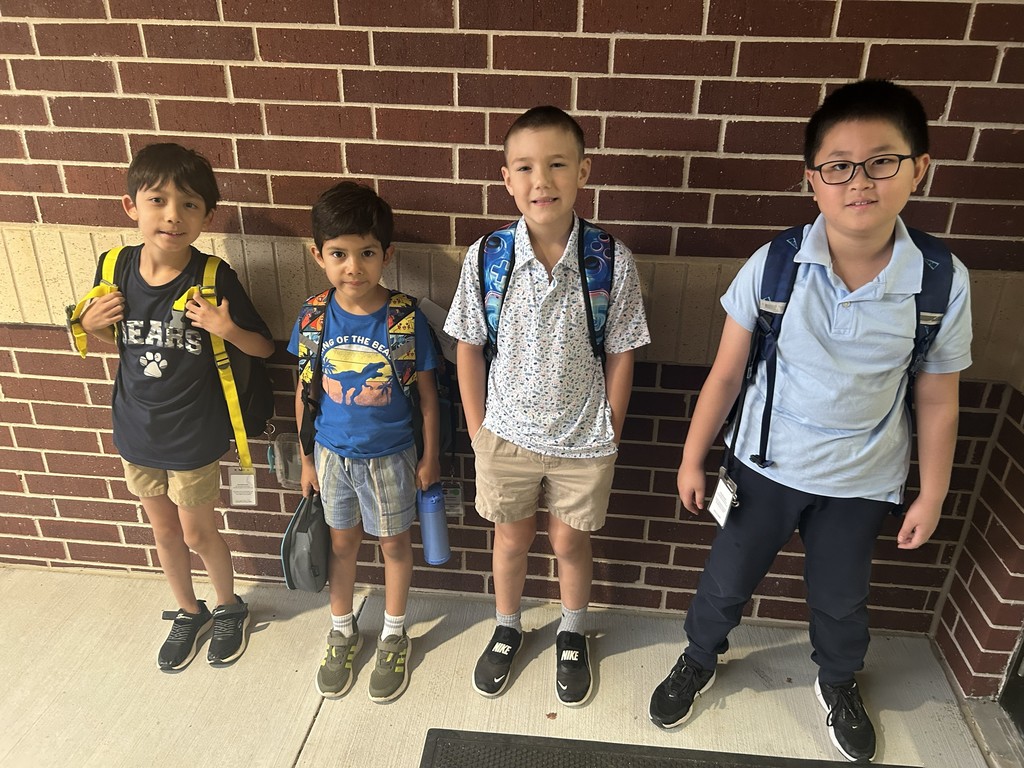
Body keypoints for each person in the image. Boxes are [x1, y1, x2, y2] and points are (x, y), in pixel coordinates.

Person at [647, 80, 973, 764]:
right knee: (726, 582)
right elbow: (727, 374)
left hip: (861, 484)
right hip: (762, 470)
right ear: (813, 182)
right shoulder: (775, 265)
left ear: (920, 168)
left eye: (882, 160)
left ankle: (838, 682)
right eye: (839, 166)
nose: (860, 181)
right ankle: (699, 657)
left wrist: (933, 491)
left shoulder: (941, 280)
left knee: (842, 601)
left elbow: (938, 398)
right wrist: (691, 456)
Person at [444, 106, 650, 707]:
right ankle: (508, 625)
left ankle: (571, 630)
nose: (543, 180)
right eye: (527, 167)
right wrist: (479, 429)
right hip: (504, 435)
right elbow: (468, 346)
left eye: (558, 164)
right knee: (511, 541)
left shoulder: (610, 260)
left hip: (585, 440)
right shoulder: (488, 257)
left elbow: (621, 351)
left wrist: (610, 425)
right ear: (507, 179)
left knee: (567, 543)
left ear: (583, 171)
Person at [76, 143, 275, 670]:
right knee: (163, 532)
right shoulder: (114, 265)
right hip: (136, 428)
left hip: (194, 433)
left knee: (196, 532)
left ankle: (230, 606)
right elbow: (90, 328)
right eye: (158, 200)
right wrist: (87, 325)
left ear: (208, 216)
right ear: (130, 207)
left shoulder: (212, 275)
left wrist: (225, 327)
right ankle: (190, 611)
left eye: (189, 204)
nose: (172, 215)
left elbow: (264, 347)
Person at [290, 181, 440, 702]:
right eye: (339, 254)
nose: (353, 267)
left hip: (393, 458)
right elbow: (306, 394)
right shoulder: (312, 318)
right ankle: (342, 627)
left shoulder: (404, 318)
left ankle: (395, 634)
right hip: (331, 456)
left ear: (386, 254)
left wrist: (431, 456)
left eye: (366, 253)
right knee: (341, 544)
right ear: (319, 255)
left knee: (395, 545)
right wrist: (306, 458)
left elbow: (427, 397)